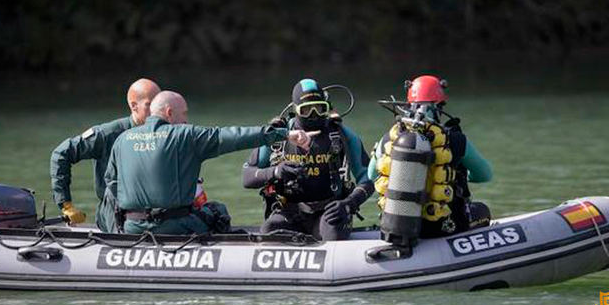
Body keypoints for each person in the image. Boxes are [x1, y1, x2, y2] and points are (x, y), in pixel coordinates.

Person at [104, 90, 315, 235]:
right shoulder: (186, 135)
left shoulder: (123, 139)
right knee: (217, 212)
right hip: (175, 227)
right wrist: (285, 134)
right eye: (184, 114)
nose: (186, 120)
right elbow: (236, 136)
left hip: (132, 227)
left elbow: (111, 184)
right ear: (169, 113)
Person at [242, 78, 374, 240]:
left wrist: (349, 203)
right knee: (270, 229)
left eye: (319, 108)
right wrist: (276, 171)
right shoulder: (277, 135)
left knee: (333, 234)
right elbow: (247, 177)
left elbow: (368, 178)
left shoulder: (342, 135)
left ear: (327, 107)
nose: (314, 115)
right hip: (290, 212)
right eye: (306, 110)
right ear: (296, 109)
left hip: (330, 212)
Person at [370, 75, 492, 238]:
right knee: (482, 210)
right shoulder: (456, 139)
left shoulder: (389, 138)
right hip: (444, 227)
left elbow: (371, 175)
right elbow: (485, 175)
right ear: (439, 106)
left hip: (399, 226)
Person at [50, 78, 161, 231]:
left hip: (148, 210)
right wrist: (65, 204)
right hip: (113, 209)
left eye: (159, 104)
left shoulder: (164, 135)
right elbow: (61, 153)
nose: (157, 111)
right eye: (150, 105)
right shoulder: (107, 134)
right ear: (134, 106)